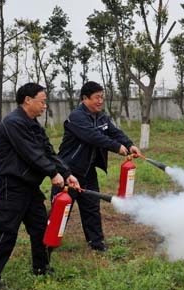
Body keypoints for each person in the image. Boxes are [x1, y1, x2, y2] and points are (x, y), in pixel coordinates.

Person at [0, 83, 80, 290]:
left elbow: (48, 152)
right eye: (42, 101)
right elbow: (31, 153)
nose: (45, 105)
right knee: (5, 231)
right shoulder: (14, 123)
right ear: (28, 100)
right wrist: (53, 173)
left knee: (41, 227)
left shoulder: (32, 124)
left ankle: (41, 267)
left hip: (29, 187)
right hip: (11, 186)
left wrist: (67, 174)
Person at [56, 81, 141, 252]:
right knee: (61, 209)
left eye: (102, 97)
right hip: (69, 171)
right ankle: (48, 244)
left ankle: (96, 243)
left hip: (88, 171)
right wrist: (116, 147)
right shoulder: (77, 117)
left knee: (92, 208)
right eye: (97, 98)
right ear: (85, 99)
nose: (100, 101)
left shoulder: (101, 116)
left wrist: (128, 143)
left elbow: (113, 131)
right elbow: (92, 136)